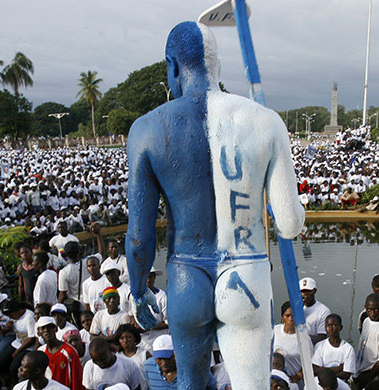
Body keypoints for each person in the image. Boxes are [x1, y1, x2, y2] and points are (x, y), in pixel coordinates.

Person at [126, 21, 304, 390]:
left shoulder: (146, 128)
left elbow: (139, 238)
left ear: (172, 66)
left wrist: (140, 288)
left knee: (190, 384)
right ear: (217, 66)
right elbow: (289, 224)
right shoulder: (265, 121)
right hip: (247, 273)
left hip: (187, 273)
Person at [144, 334, 216, 390]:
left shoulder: (195, 368)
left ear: (177, 353)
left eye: (168, 358)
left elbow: (211, 387)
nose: (164, 363)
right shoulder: (149, 366)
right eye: (159, 359)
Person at [353, 294, 379, 390]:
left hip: (372, 371)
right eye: (370, 309)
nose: (373, 313)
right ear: (365, 308)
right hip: (360, 367)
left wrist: (368, 377)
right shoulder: (366, 321)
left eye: (376, 310)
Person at [36, 316, 83, 390]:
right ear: (38, 333)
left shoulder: (69, 351)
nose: (46, 331)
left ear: (56, 329)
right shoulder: (40, 352)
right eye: (43, 328)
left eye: (50, 327)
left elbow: (77, 378)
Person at [274, 301, 313, 389]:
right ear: (282, 317)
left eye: (293, 315)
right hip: (275, 381)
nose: (291, 319)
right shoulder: (275, 331)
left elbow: (309, 362)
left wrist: (299, 375)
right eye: (287, 316)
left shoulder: (303, 338)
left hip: (294, 383)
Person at [312, 313, 355, 381]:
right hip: (321, 383)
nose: (331, 328)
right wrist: (338, 368)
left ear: (340, 327)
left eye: (334, 325)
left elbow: (346, 374)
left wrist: (326, 375)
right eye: (328, 325)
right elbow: (315, 370)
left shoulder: (348, 348)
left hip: (339, 383)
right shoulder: (320, 346)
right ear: (325, 327)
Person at [300, 277, 331, 344]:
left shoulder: (323, 311)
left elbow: (322, 337)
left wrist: (299, 337)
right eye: (302, 291)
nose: (305, 294)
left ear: (314, 291)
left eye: (308, 291)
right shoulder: (294, 309)